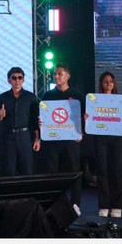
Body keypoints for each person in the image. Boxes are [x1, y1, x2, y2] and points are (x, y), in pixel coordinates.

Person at [40, 62, 85, 215]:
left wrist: (81, 132)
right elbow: (44, 116)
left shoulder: (77, 95)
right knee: (52, 173)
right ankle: (54, 203)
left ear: (68, 76)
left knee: (74, 171)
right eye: (55, 73)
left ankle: (75, 203)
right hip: (53, 140)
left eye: (60, 73)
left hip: (71, 140)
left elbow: (84, 117)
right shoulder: (48, 95)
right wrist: (41, 122)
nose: (56, 76)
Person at [87, 71, 122, 218]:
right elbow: (91, 119)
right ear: (101, 83)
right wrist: (87, 117)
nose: (109, 83)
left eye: (111, 81)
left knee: (116, 170)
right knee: (102, 171)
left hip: (117, 138)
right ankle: (104, 205)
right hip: (100, 138)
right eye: (105, 81)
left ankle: (117, 206)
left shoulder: (121, 101)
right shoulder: (94, 101)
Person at [0, 67, 40, 176]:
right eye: (14, 78)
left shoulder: (31, 97)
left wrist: (37, 139)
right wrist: (0, 116)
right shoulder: (3, 97)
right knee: (9, 170)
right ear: (9, 80)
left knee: (27, 169)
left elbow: (35, 120)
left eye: (20, 78)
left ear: (23, 80)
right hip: (9, 136)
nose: (17, 81)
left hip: (25, 136)